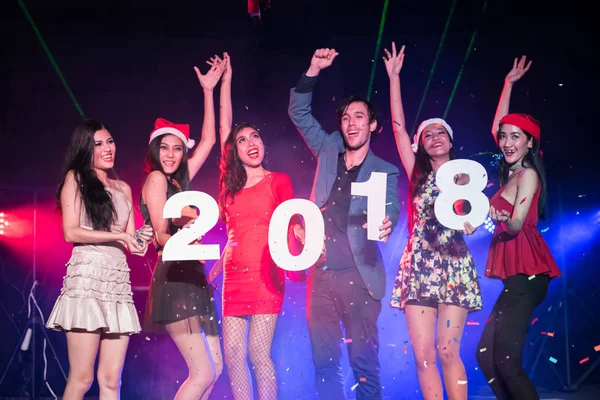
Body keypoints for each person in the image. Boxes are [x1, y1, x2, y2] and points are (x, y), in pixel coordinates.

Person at [288, 48, 400, 400]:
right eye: (347, 118)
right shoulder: (327, 148)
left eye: (360, 117)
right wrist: (312, 69)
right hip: (320, 275)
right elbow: (298, 112)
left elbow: (392, 207)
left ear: (373, 125)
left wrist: (387, 222)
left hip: (360, 278)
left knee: (364, 365)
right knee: (325, 362)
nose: (352, 123)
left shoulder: (385, 170)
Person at [384, 42, 482, 400]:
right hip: (420, 265)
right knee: (424, 356)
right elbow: (397, 129)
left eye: (441, 132)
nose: (435, 137)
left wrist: (472, 221)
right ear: (420, 144)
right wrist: (394, 78)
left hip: (454, 264)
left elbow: (475, 215)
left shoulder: (467, 179)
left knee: (446, 350)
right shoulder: (416, 175)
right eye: (428, 133)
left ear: (451, 142)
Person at [208, 52, 295, 400]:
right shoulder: (227, 187)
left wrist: (303, 239)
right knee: (234, 358)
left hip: (265, 274)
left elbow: (293, 220)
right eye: (242, 140)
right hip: (233, 278)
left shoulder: (279, 180)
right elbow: (223, 129)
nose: (251, 143)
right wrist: (225, 81)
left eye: (255, 137)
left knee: (259, 355)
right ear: (234, 150)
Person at [46, 119, 152, 400]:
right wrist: (118, 237)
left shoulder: (124, 188)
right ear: (86, 149)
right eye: (98, 144)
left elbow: (134, 246)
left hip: (118, 284)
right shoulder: (76, 178)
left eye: (110, 141)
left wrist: (146, 233)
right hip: (88, 279)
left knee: (111, 381)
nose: (107, 148)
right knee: (81, 380)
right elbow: (70, 232)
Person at [475, 56, 561, 400]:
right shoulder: (509, 171)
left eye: (516, 137)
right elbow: (499, 125)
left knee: (507, 362)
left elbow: (515, 224)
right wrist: (508, 84)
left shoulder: (527, 175)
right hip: (517, 279)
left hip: (528, 277)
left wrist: (499, 218)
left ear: (530, 143)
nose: (507, 142)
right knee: (486, 356)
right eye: (504, 137)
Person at [140, 59, 225, 400]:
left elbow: (208, 139)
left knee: (214, 371)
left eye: (178, 148)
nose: (172, 154)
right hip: (174, 275)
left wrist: (208, 91)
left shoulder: (178, 180)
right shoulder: (157, 178)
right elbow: (161, 234)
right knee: (202, 371)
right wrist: (183, 238)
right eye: (165, 147)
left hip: (193, 276)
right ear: (154, 149)